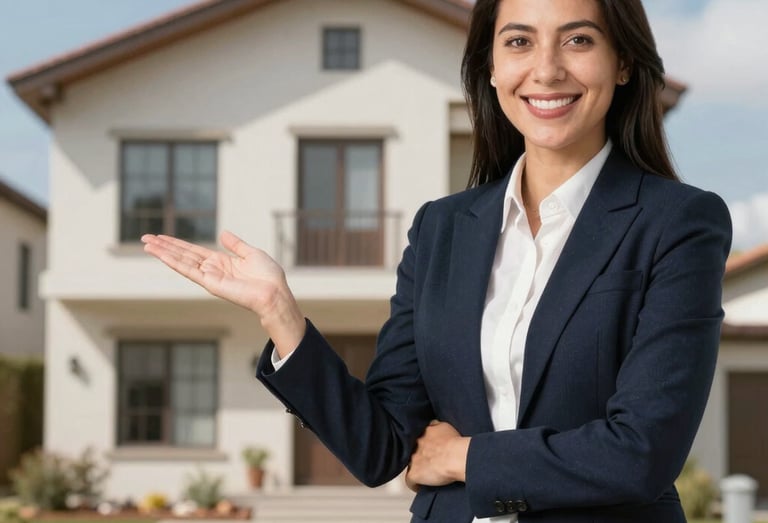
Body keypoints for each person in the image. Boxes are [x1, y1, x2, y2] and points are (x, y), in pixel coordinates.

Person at [142, 0, 732, 521]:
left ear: (623, 63)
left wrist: (464, 457)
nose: (546, 68)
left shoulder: (678, 223)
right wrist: (280, 314)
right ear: (493, 69)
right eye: (519, 41)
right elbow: (384, 449)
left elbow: (641, 453)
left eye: (578, 40)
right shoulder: (442, 229)